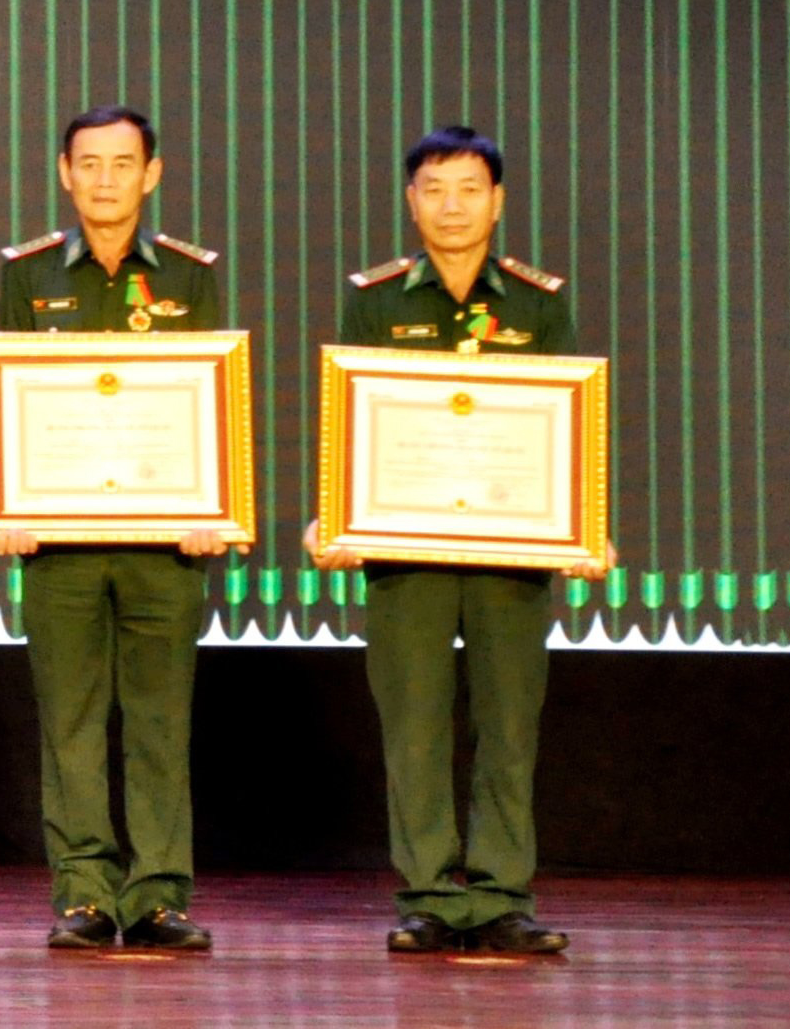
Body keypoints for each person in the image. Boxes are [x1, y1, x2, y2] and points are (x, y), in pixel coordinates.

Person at [304, 124, 612, 957]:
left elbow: (562, 429)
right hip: (406, 554)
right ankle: (431, 896)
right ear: (411, 200)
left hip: (511, 553)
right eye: (434, 187)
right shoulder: (376, 298)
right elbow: (352, 418)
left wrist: (584, 524)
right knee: (414, 726)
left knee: (510, 729)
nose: (451, 204)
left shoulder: (537, 301)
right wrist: (334, 512)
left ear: (498, 200)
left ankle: (504, 895)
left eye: (469, 187)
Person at [0, 106, 229, 953]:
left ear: (151, 175)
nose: (104, 179)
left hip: (166, 545)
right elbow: (6, 397)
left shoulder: (191, 277)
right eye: (88, 163)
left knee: (161, 724)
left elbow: (212, 399)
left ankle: (160, 894)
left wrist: (212, 506)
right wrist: (8, 505)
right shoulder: (28, 275)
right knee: (72, 725)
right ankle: (85, 893)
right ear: (64, 171)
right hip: (60, 547)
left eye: (122, 163)